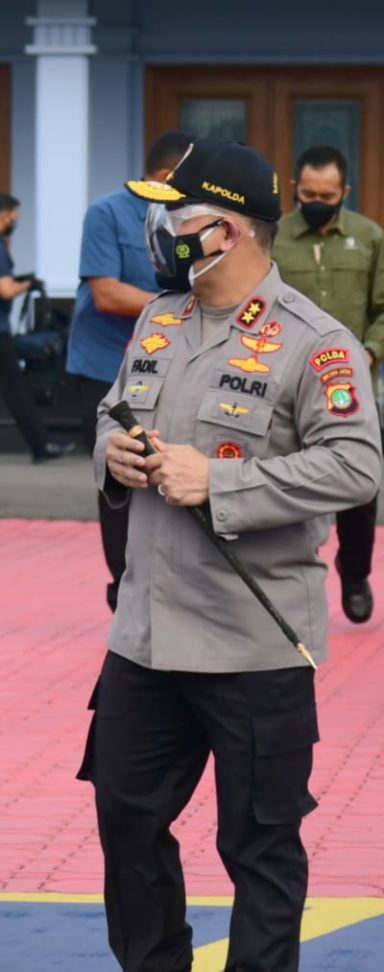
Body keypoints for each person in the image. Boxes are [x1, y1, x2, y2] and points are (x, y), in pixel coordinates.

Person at [86, 138, 381, 972]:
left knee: (258, 847)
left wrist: (220, 484)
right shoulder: (160, 315)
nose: (159, 226)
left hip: (253, 641)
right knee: (127, 824)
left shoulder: (314, 343)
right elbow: (113, 413)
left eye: (176, 212)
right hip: (144, 637)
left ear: (232, 230)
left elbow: (358, 464)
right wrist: (114, 452)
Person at [66, 131, 195, 612]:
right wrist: (180, 308)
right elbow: (106, 294)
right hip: (105, 369)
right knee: (118, 479)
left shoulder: (190, 218)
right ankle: (123, 586)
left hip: (170, 368)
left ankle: (168, 587)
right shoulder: (107, 212)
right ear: (166, 177)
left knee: (169, 473)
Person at [270, 145, 384, 624]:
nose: (318, 200)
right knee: (281, 480)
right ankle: (281, 576)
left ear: (345, 192)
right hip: (283, 384)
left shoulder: (369, 237)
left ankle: (354, 571)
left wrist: (370, 350)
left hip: (350, 389)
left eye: (328, 194)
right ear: (295, 188)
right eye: (309, 192)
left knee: (359, 486)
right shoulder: (272, 239)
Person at [0, 192, 74, 462]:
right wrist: (29, 284)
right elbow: (4, 289)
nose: (15, 222)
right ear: (5, 215)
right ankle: (41, 445)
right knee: (15, 389)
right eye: (15, 217)